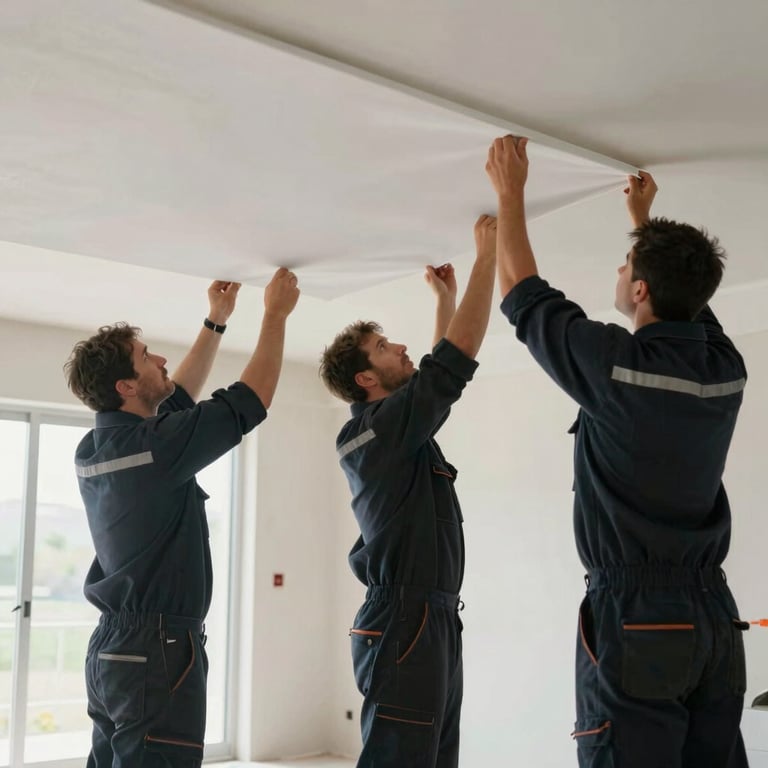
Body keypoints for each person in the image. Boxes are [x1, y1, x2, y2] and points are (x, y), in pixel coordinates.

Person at [485, 135, 749, 768]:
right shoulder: (724, 370)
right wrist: (643, 226)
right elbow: (687, 300)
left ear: (639, 291)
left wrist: (510, 192)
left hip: (639, 614)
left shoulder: (617, 367)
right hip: (712, 615)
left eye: (627, 265)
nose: (620, 270)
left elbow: (523, 291)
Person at [64, 269, 299, 767]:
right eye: (147, 357)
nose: (161, 358)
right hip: (157, 648)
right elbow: (248, 401)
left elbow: (175, 399)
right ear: (126, 384)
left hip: (113, 650)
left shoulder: (99, 448)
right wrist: (275, 316)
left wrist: (215, 321)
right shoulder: (155, 449)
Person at [319, 216, 497, 767]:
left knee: (436, 757)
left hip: (433, 616)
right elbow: (447, 369)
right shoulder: (373, 433)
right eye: (382, 347)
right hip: (404, 618)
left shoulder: (399, 432)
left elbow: (429, 385)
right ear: (365, 380)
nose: (399, 346)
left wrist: (444, 298)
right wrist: (488, 257)